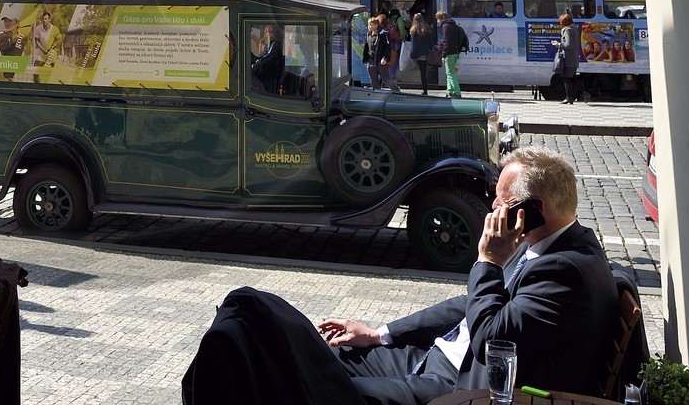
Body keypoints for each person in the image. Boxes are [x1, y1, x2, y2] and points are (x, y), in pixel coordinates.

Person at [187, 147, 619, 405]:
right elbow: (468, 307)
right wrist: (379, 334)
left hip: (457, 388)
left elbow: (491, 340)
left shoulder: (566, 272)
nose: (490, 211)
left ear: (531, 210)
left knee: (307, 380)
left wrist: (488, 261)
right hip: (433, 359)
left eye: (499, 203)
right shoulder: (549, 247)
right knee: (333, 353)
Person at [364, 17, 401, 93]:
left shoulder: (383, 34)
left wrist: (385, 58)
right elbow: (367, 46)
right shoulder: (369, 34)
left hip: (381, 60)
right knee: (373, 79)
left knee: (386, 78)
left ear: (376, 25)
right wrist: (366, 58)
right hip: (371, 59)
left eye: (371, 25)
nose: (369, 27)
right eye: (368, 25)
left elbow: (387, 48)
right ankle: (378, 93)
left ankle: (396, 90)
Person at [436, 10, 465, 98]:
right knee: (449, 73)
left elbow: (446, 42)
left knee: (451, 73)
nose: (437, 21)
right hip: (455, 52)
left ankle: (456, 92)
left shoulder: (446, 26)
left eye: (437, 19)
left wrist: (443, 55)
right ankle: (450, 90)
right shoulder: (453, 25)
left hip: (450, 53)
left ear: (441, 19)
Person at [556, 12, 584, 104]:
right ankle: (581, 95)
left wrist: (559, 45)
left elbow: (568, 45)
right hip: (573, 58)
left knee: (567, 78)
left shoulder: (568, 30)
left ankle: (569, 98)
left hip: (568, 58)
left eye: (561, 21)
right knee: (571, 79)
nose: (560, 23)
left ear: (565, 22)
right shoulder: (574, 29)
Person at [408, 12, 437, 96]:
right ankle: (430, 83)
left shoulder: (413, 30)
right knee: (428, 70)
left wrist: (412, 55)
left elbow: (414, 45)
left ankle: (425, 90)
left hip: (419, 55)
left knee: (422, 73)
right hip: (428, 53)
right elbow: (432, 42)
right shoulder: (428, 28)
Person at [251, 23, 285, 94]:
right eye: (265, 32)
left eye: (268, 32)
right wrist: (261, 53)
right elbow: (263, 58)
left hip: (270, 82)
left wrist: (254, 66)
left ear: (274, 34)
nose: (266, 34)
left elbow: (266, 61)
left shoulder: (276, 46)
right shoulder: (269, 45)